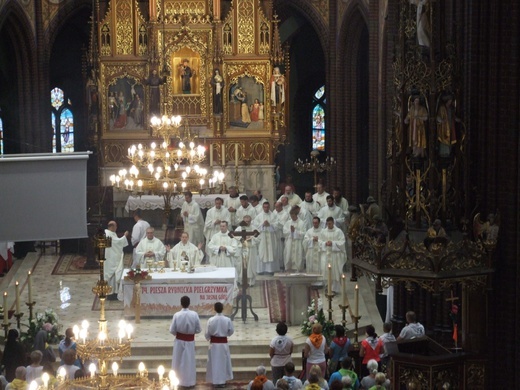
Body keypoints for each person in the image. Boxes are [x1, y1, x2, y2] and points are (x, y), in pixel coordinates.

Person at [169, 296, 201, 388]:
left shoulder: (177, 315)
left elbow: (172, 330)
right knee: (189, 362)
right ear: (189, 303)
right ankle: (189, 381)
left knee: (178, 361)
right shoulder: (194, 314)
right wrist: (191, 332)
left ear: (181, 303)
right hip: (190, 342)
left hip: (179, 341)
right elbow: (198, 329)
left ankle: (177, 381)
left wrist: (180, 333)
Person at [205, 302, 234, 388]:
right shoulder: (227, 320)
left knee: (215, 363)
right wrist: (225, 334)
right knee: (223, 362)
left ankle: (215, 380)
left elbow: (207, 333)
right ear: (223, 308)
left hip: (214, 345)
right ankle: (223, 380)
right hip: (223, 344)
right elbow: (231, 331)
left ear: (214, 309)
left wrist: (209, 337)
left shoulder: (211, 320)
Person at [319, 217, 347, 294]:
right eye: (327, 223)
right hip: (326, 254)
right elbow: (320, 241)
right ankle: (328, 287)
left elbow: (342, 242)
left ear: (333, 223)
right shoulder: (323, 232)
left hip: (335, 255)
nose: (329, 225)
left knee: (335, 271)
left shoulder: (338, 232)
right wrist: (325, 243)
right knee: (326, 271)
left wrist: (333, 243)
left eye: (330, 223)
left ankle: (334, 289)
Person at [253, 202, 282, 274]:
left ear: (269, 207)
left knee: (271, 251)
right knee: (262, 251)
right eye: (264, 207)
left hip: (271, 237)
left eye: (267, 207)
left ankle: (271, 269)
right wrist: (262, 224)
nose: (266, 209)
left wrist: (270, 225)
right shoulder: (259, 216)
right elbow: (255, 226)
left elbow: (278, 225)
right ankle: (261, 270)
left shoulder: (273, 215)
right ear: (262, 207)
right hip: (262, 237)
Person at [104, 221, 129, 299]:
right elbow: (117, 242)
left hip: (112, 257)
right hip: (111, 259)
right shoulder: (108, 234)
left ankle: (114, 292)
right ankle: (111, 293)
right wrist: (124, 236)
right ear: (112, 227)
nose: (116, 228)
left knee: (114, 276)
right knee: (112, 275)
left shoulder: (110, 233)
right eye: (115, 226)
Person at [436, 94, 458, 158]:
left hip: (450, 126)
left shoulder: (451, 109)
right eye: (450, 101)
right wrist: (442, 120)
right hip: (444, 127)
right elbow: (438, 117)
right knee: (444, 140)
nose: (450, 102)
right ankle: (444, 154)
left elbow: (453, 116)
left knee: (450, 139)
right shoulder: (442, 108)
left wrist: (456, 119)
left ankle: (449, 153)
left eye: (451, 101)